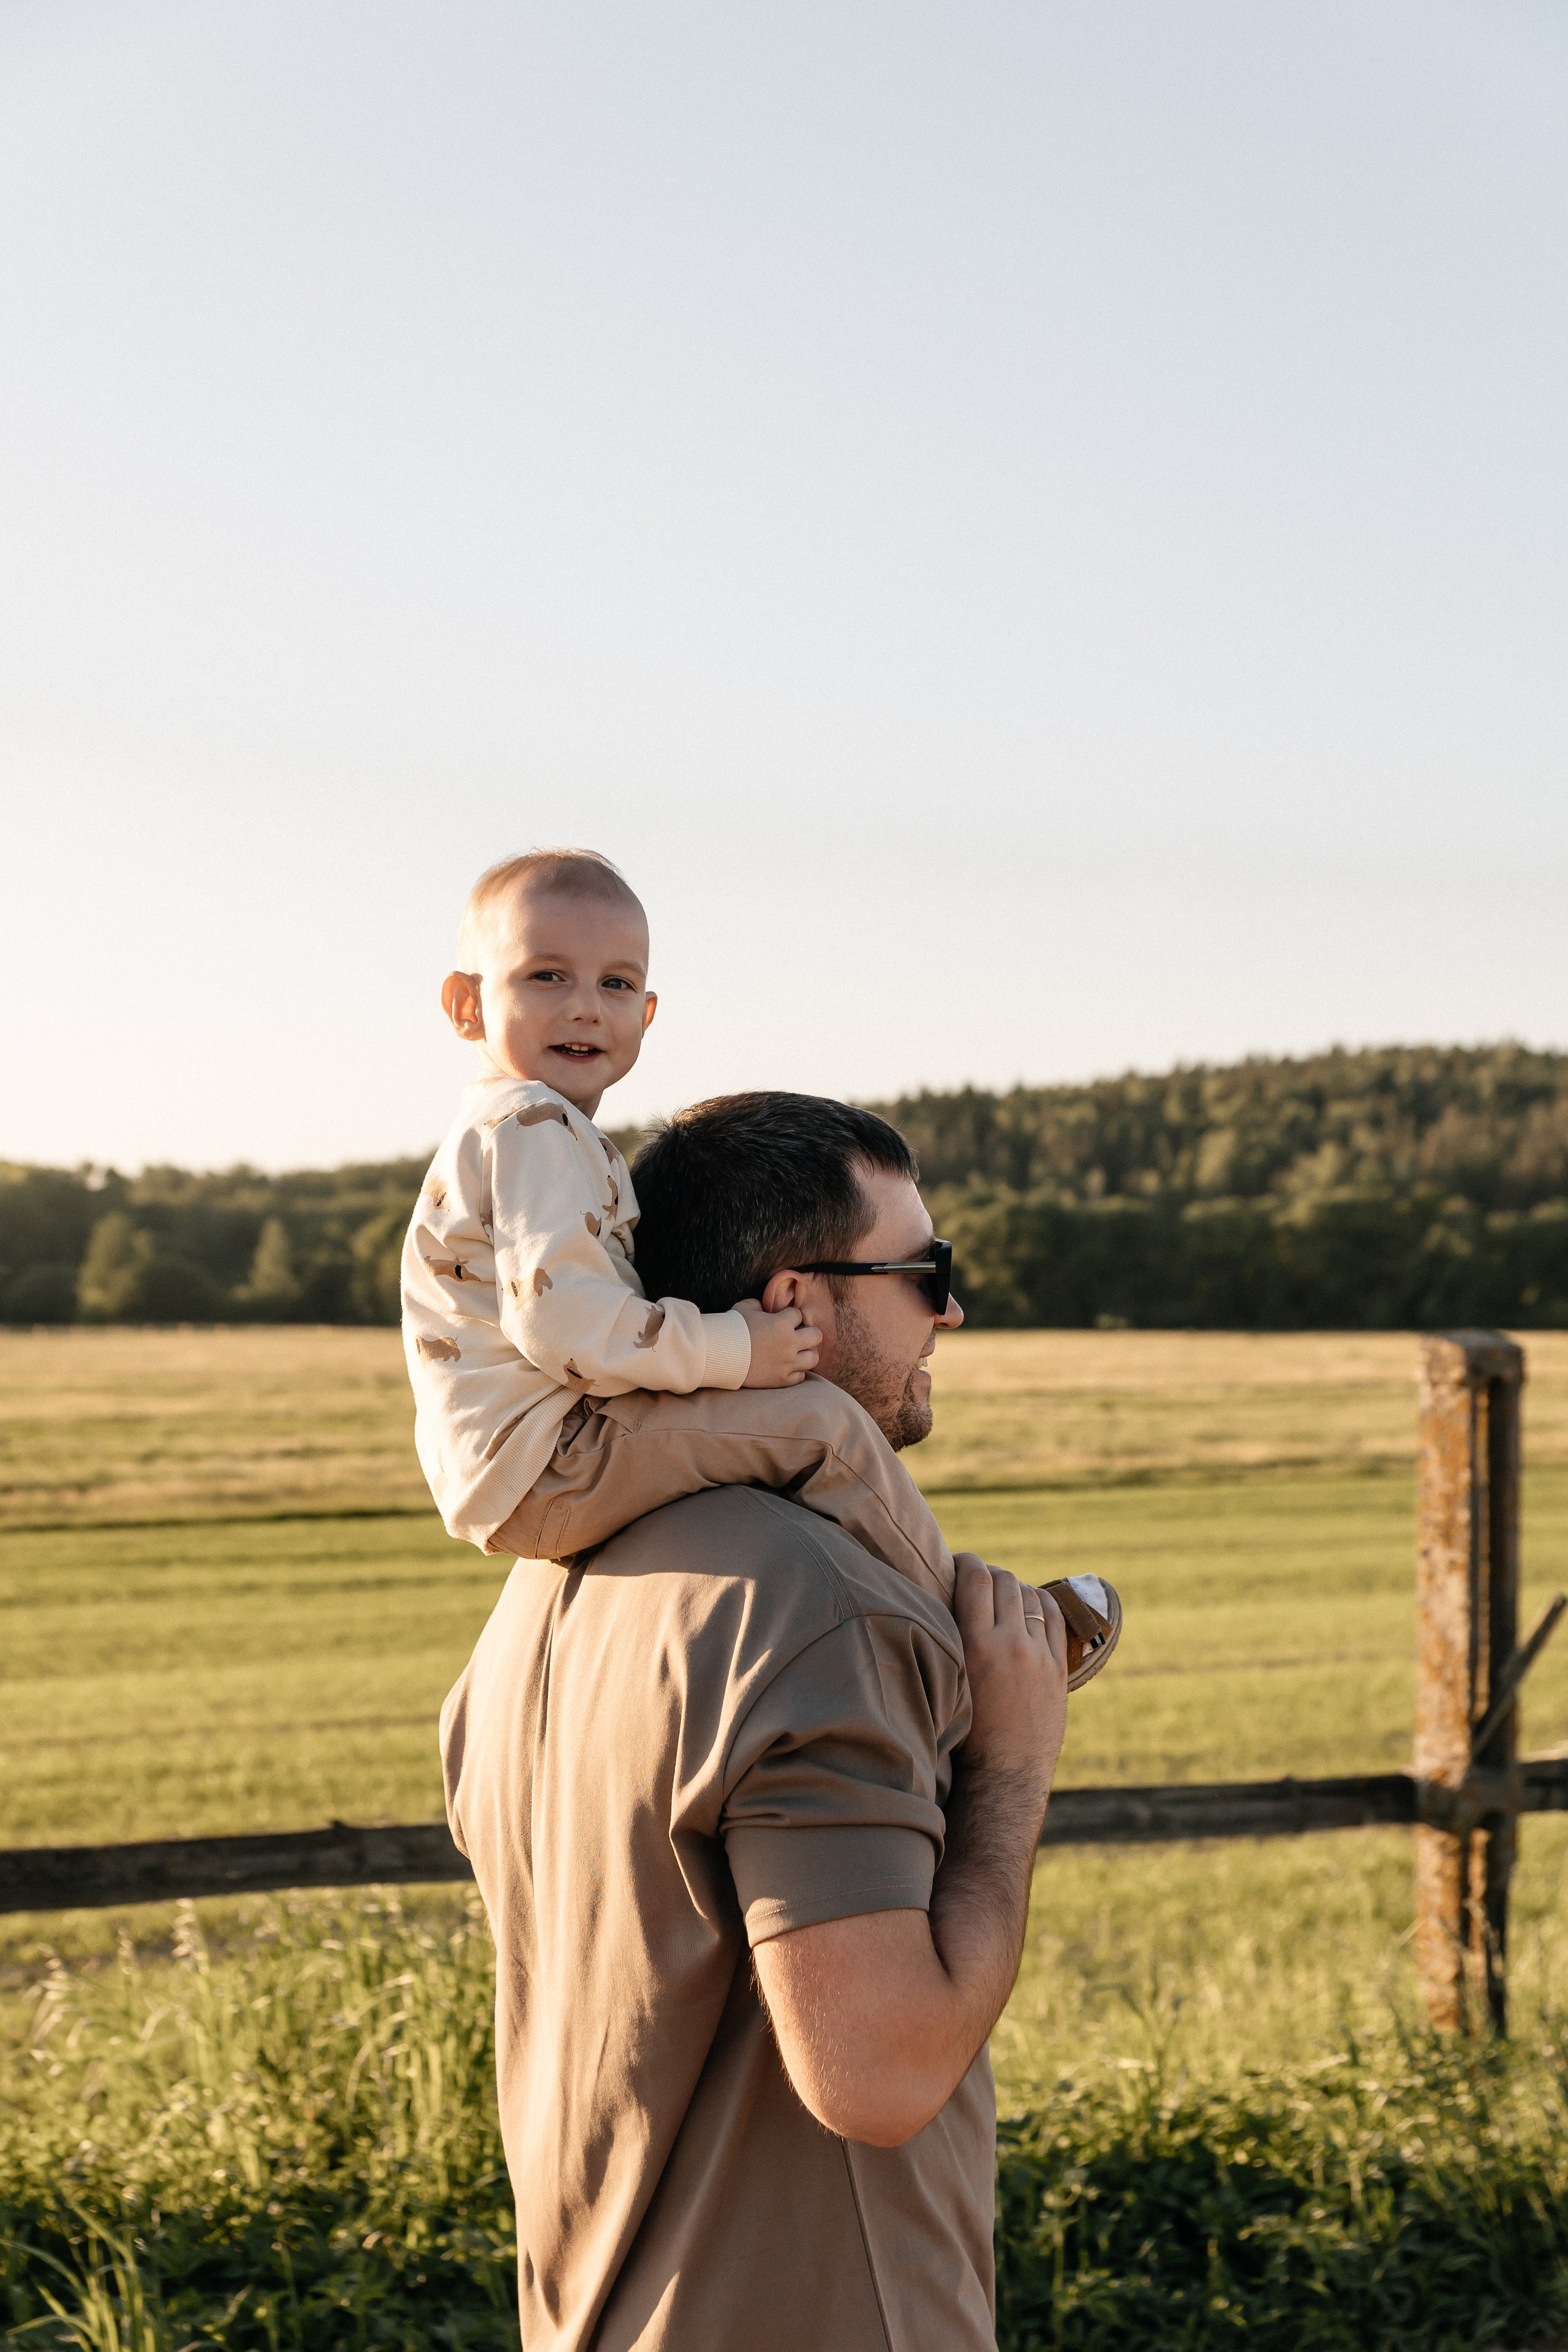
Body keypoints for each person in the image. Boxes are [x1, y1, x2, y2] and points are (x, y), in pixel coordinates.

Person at [440, 1090, 1072, 2350]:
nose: (947, 1308)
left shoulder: (536, 1603)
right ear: (791, 1302)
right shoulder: (823, 1606)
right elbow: (879, 2074)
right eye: (921, 1271)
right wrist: (1008, 1765)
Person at [404, 845, 1121, 1667]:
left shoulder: (521, 1134)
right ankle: (981, 1648)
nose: (585, 1009)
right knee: (820, 1426)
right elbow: (562, 1322)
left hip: (522, 1462)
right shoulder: (532, 1128)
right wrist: (737, 1347)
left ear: (648, 1012)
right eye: (546, 977)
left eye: (616, 984)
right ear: (465, 1006)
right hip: (551, 1456)